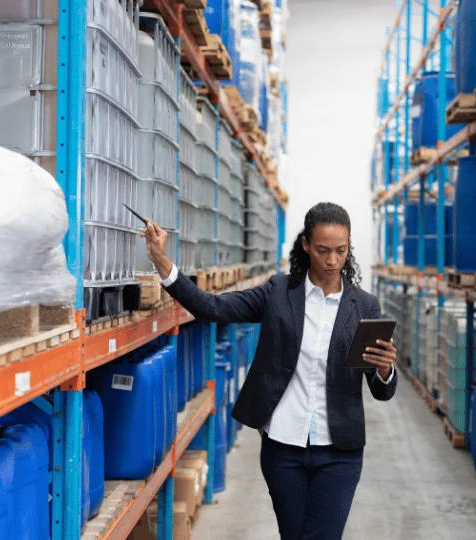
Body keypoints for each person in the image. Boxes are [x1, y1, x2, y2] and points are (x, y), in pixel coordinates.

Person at [141, 201, 398, 540]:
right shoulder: (278, 293)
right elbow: (213, 307)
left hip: (340, 451)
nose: (332, 261)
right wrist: (162, 261)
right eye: (322, 250)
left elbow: (380, 389)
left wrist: (384, 371)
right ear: (306, 244)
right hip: (283, 447)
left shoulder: (364, 305)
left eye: (341, 251)